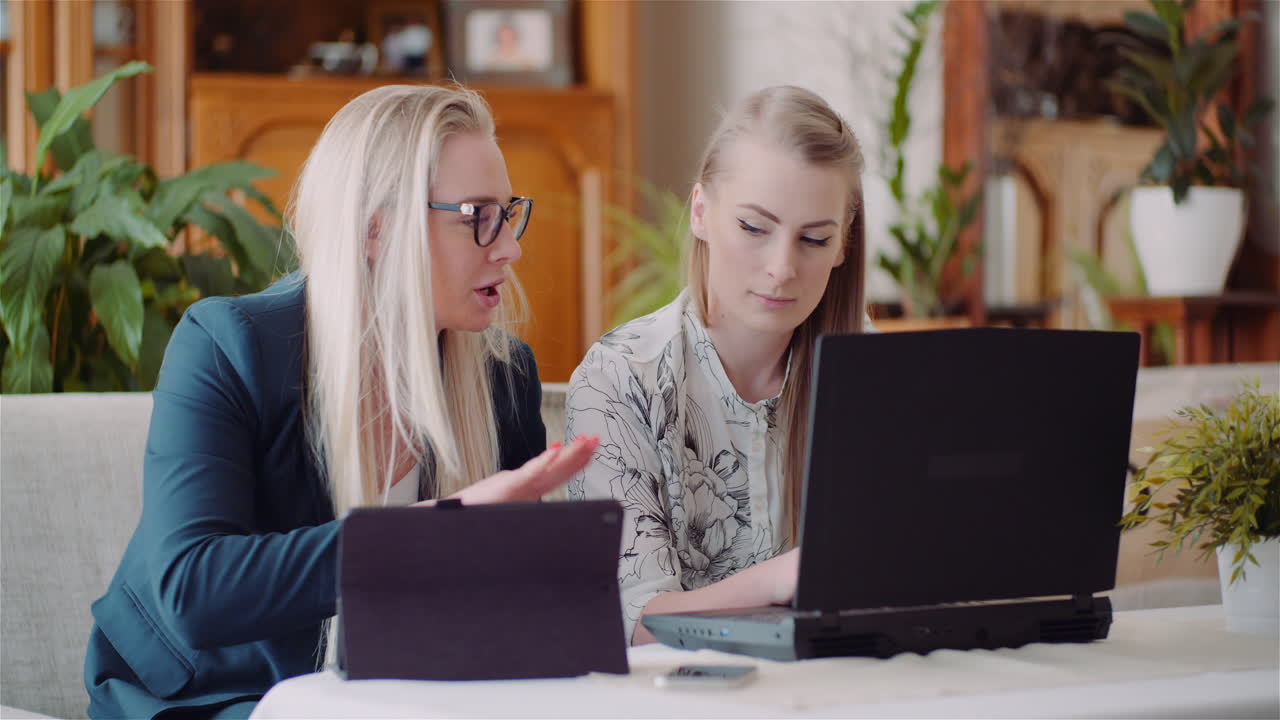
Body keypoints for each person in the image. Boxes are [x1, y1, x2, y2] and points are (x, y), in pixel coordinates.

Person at [84, 84, 597, 718]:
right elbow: (192, 591)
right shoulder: (228, 346)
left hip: (393, 696)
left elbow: (510, 615)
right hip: (209, 701)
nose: (510, 247)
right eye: (477, 217)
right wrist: (441, 529)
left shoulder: (502, 378)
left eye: (508, 213)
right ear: (377, 230)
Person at [565, 85, 868, 645]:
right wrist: (782, 579)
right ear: (700, 212)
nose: (782, 268)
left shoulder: (878, 374)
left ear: (843, 245)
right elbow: (633, 621)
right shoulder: (618, 380)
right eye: (754, 228)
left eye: (814, 239)